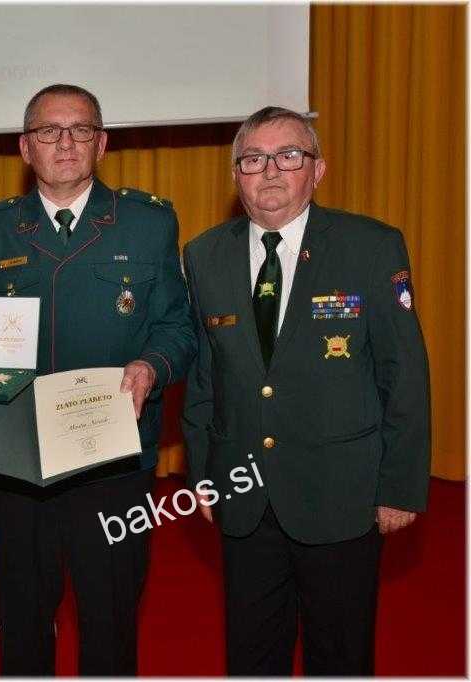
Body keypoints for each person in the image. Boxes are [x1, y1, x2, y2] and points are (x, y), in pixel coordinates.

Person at [0, 83, 196, 675]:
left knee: (109, 621)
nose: (64, 143)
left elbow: (178, 326)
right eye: (48, 131)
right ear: (24, 147)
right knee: (23, 621)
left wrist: (151, 366)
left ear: (101, 144)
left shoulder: (147, 222)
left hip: (112, 459)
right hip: (16, 456)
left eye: (80, 130)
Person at [181, 106, 430, 675]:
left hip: (342, 495)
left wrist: (400, 487)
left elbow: (404, 373)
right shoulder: (204, 254)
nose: (270, 171)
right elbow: (204, 377)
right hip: (244, 495)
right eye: (253, 159)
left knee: (340, 656)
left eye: (288, 156)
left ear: (317, 170)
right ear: (235, 175)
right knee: (251, 657)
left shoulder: (370, 247)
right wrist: (201, 475)